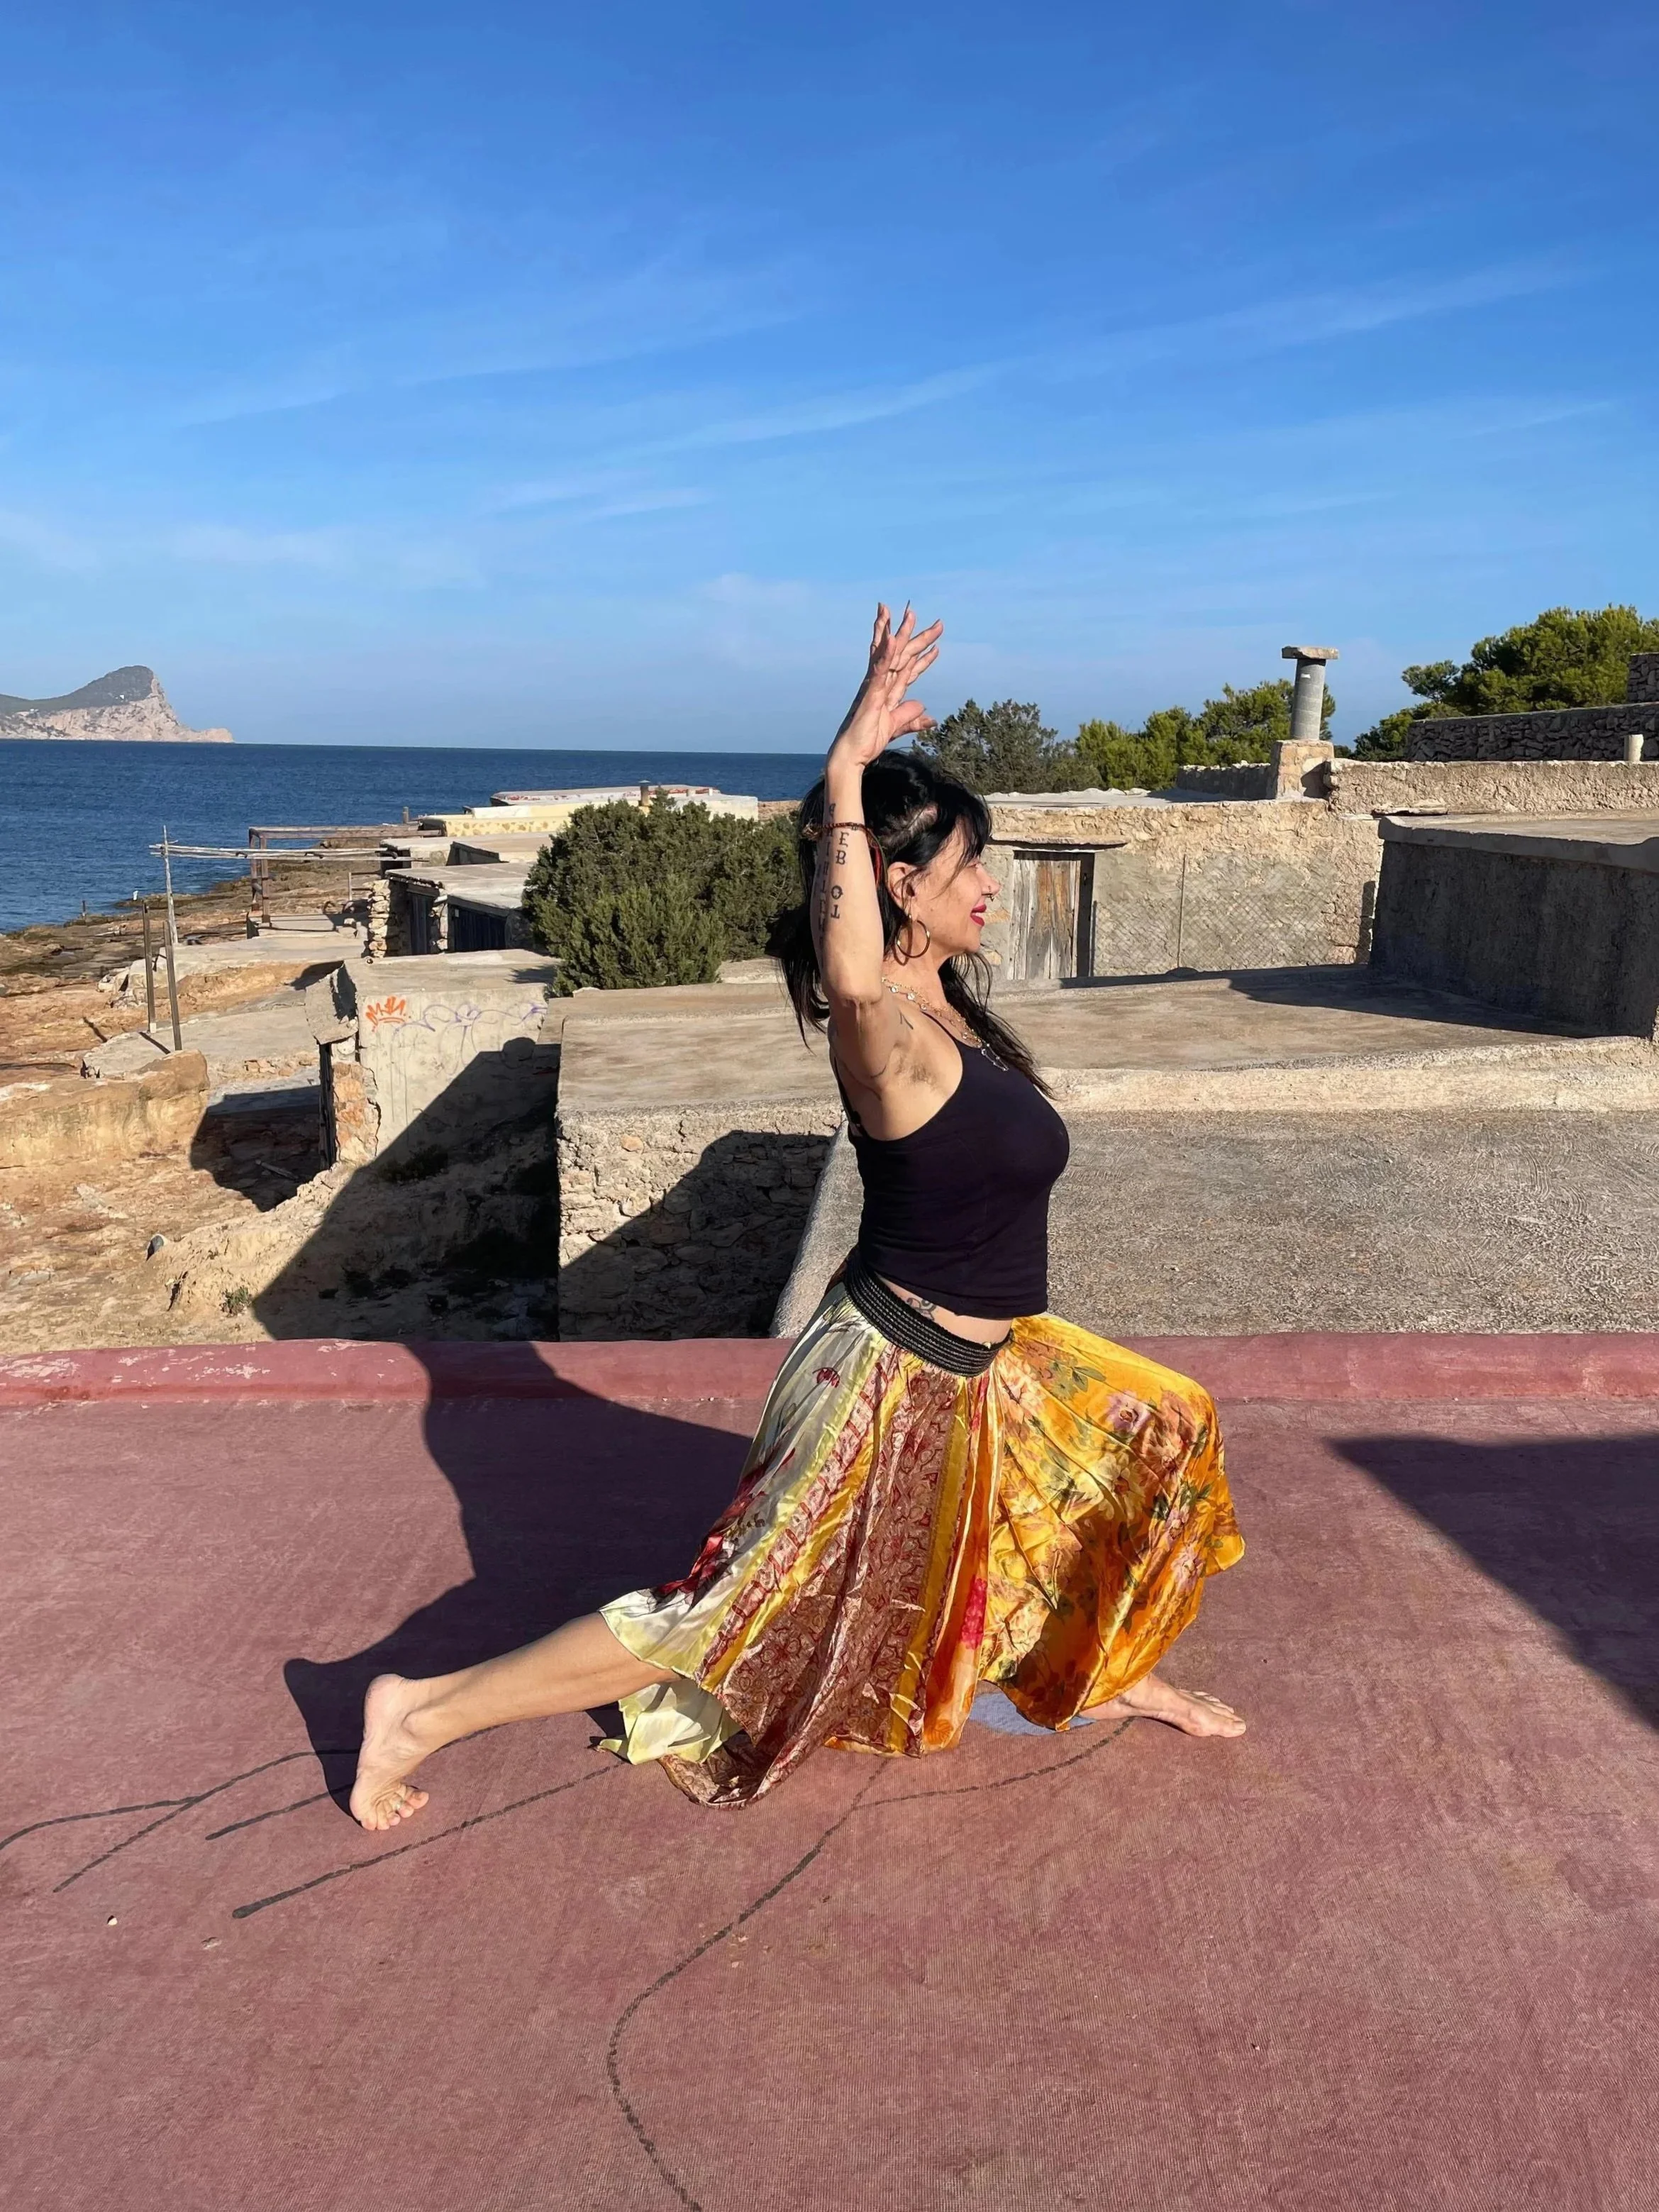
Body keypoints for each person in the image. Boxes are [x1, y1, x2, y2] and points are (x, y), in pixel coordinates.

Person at [349, 605, 1244, 1830]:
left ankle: (1102, 1667)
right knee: (721, 1614)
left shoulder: (958, 1019)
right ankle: (416, 1708)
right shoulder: (881, 1037)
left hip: (993, 1363)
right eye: (968, 866)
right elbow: (845, 964)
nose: (991, 885)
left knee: (1155, 1434)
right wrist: (842, 772)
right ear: (899, 888)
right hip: (885, 1374)